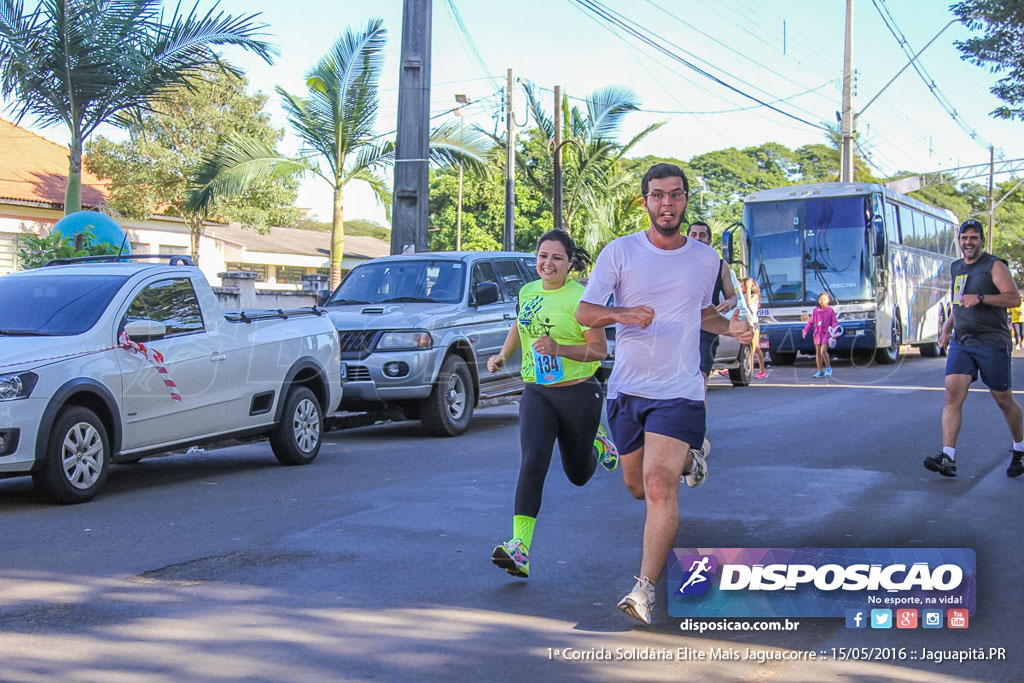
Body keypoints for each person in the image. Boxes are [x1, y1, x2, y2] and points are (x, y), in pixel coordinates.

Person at [576, 163, 752, 625]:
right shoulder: (619, 252)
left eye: (675, 195)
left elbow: (705, 315)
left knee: (658, 486)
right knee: (636, 487)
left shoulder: (706, 260)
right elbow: (585, 312)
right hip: (628, 389)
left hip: (680, 389)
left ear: (686, 199)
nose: (667, 204)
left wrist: (729, 325)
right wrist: (624, 314)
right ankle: (689, 461)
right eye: (658, 196)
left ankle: (644, 589)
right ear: (646, 201)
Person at [487, 229, 619, 579]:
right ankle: (520, 548)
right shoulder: (528, 291)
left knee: (578, 474)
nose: (548, 263)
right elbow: (520, 323)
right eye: (543, 256)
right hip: (538, 392)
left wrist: (559, 349)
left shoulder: (582, 300)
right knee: (533, 461)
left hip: (579, 393)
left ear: (570, 264)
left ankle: (596, 439)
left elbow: (599, 351)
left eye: (557, 257)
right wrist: (502, 355)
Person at [924, 219, 1024, 479]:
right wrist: (947, 329)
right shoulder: (957, 267)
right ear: (959, 241)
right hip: (962, 342)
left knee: (1003, 399)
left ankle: (1020, 449)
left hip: (992, 342)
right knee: (951, 396)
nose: (968, 243)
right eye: (964, 238)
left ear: (982, 240)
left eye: (973, 238)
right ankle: (948, 457)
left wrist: (981, 298)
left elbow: (1013, 298)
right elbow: (958, 302)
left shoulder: (994, 265)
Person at [686, 221, 737, 389]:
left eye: (702, 235)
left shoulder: (720, 266)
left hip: (708, 328)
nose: (698, 239)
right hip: (681, 328)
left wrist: (728, 304)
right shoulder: (677, 263)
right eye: (693, 235)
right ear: (687, 237)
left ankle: (699, 413)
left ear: (708, 240)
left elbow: (732, 296)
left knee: (700, 377)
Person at [802, 292, 838, 378]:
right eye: (821, 299)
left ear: (828, 300)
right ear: (818, 300)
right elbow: (810, 322)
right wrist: (805, 330)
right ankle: (820, 370)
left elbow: (834, 323)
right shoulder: (816, 311)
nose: (822, 301)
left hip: (827, 334)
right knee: (818, 352)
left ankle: (828, 367)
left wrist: (834, 333)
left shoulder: (830, 311)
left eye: (824, 299)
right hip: (817, 334)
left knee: (823, 351)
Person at [742, 278, 767, 379]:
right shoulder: (742, 295)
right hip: (746, 322)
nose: (743, 288)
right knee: (748, 347)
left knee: (755, 348)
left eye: (745, 286)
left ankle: (761, 370)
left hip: (754, 323)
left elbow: (749, 303)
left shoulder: (755, 296)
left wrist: (748, 289)